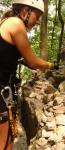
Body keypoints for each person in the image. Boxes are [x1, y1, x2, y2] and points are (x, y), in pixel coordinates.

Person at [0, 0, 56, 149]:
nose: (36, 23)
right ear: (26, 11)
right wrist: (51, 65)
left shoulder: (6, 22)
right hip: (1, 93)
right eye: (36, 18)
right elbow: (33, 62)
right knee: (5, 143)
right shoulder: (16, 24)